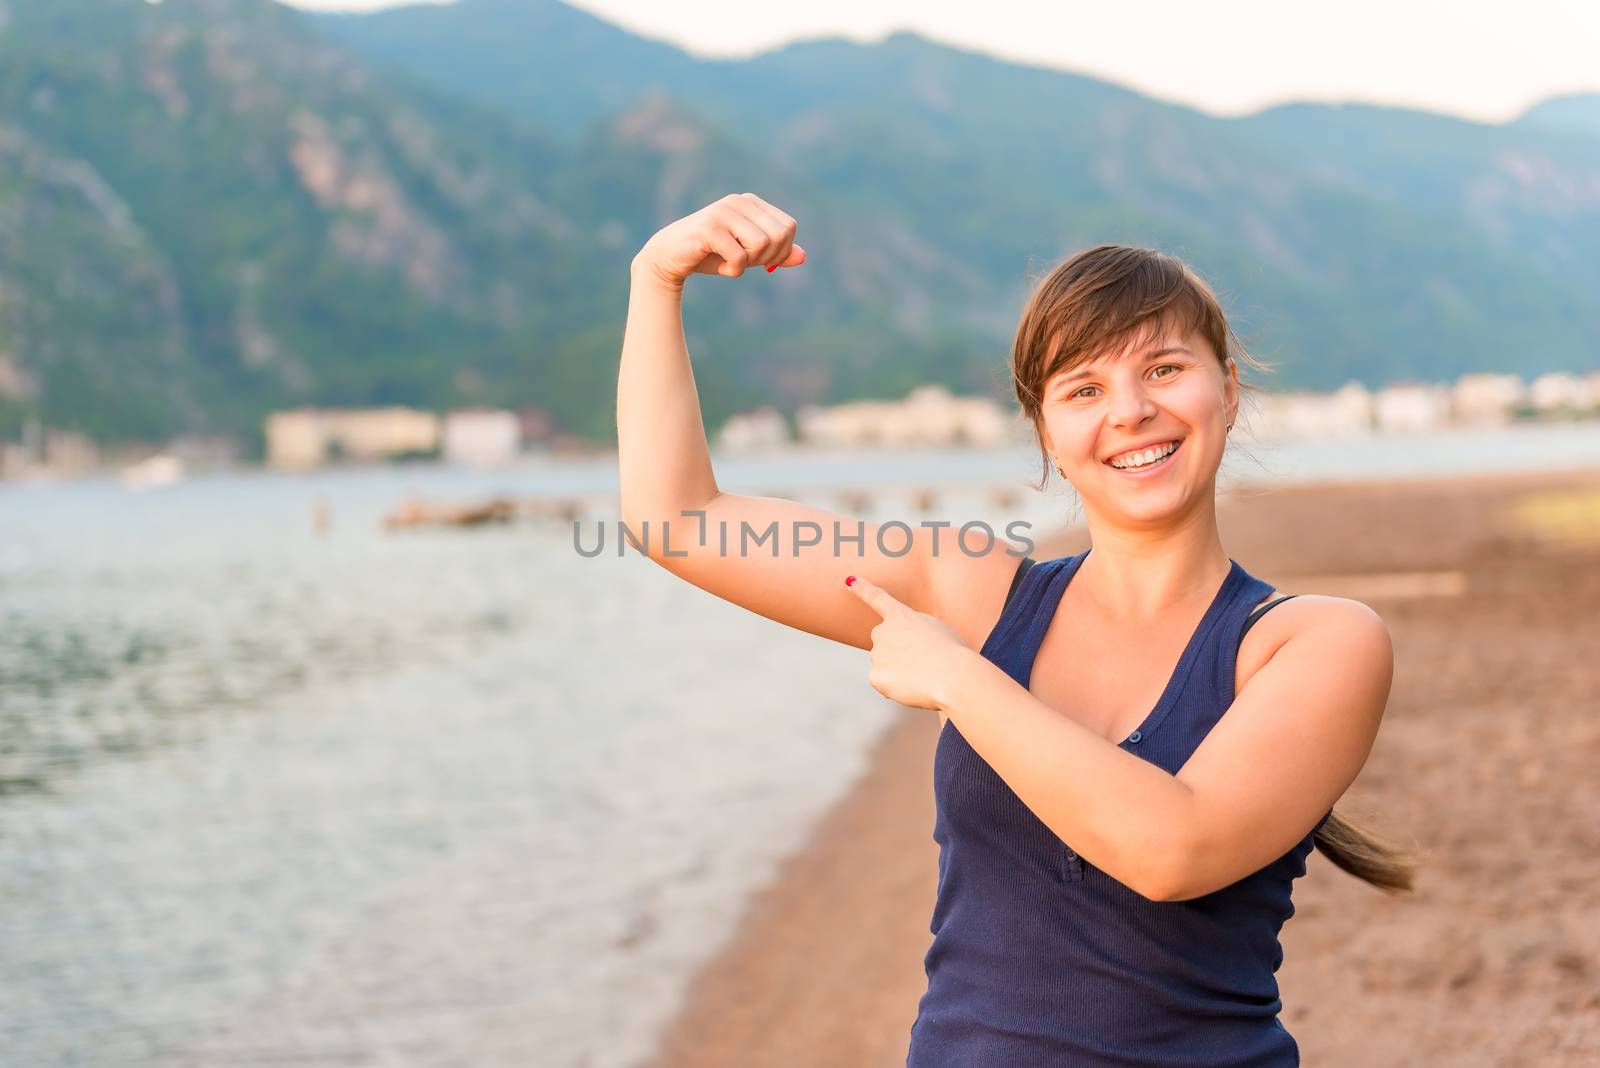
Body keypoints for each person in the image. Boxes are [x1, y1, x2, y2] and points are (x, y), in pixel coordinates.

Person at [618, 192, 1417, 1065]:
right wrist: (655, 280)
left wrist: (961, 679)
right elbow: (679, 522)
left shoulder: (1311, 642)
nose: (1129, 411)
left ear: (1227, 389)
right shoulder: (973, 588)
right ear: (1045, 432)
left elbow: (1172, 850)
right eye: (1083, 388)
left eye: (1162, 370)